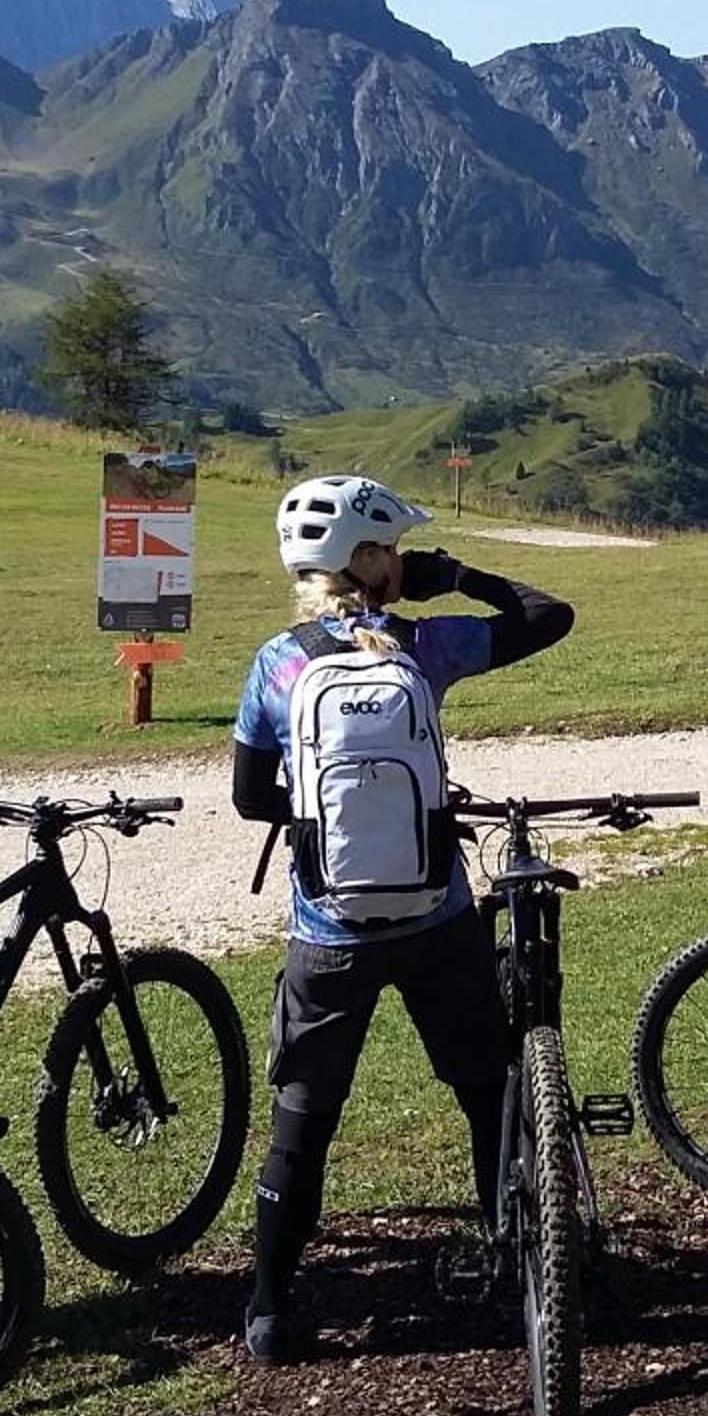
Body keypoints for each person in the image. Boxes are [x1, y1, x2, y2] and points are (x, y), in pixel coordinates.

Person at [228, 475, 574, 1363]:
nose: (405, 560)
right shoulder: (424, 645)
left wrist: (322, 820)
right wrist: (454, 576)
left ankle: (268, 1308)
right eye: (396, 549)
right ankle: (518, 1264)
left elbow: (248, 797)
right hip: (435, 917)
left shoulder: (277, 663)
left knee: (304, 1115)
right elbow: (550, 614)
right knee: (486, 1090)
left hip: (327, 929)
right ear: (371, 559)